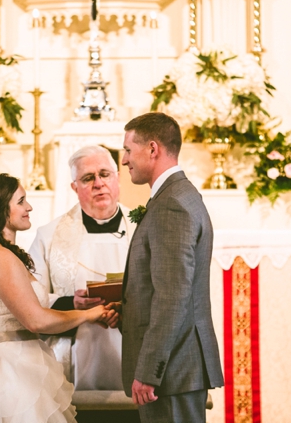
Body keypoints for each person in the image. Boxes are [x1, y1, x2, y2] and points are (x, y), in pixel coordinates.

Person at [0, 173, 117, 422]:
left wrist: (77, 303)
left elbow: (32, 303)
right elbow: (35, 320)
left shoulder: (6, 254)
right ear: (0, 208)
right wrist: (89, 314)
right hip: (7, 374)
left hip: (24, 363)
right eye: (21, 201)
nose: (29, 207)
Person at [113, 112, 224, 422]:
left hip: (172, 373)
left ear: (152, 149)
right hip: (177, 369)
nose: (123, 160)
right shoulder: (176, 195)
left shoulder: (172, 203)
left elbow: (173, 297)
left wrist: (148, 371)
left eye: (127, 149)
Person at [29, 145, 133, 390]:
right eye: (87, 178)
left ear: (118, 178)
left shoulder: (144, 228)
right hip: (72, 355)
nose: (98, 183)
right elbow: (31, 299)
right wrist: (71, 303)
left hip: (134, 352)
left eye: (105, 174)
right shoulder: (49, 236)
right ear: (75, 188)